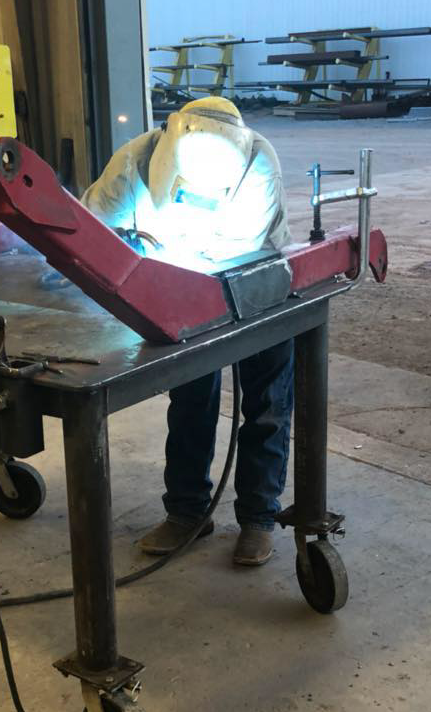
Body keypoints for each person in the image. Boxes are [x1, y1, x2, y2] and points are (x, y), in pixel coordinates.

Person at [81, 96, 293, 566]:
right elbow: (92, 226)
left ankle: (258, 518)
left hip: (259, 282)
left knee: (267, 406)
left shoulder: (258, 162)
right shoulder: (136, 159)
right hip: (179, 293)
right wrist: (127, 241)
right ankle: (187, 514)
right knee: (191, 401)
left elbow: (235, 248)